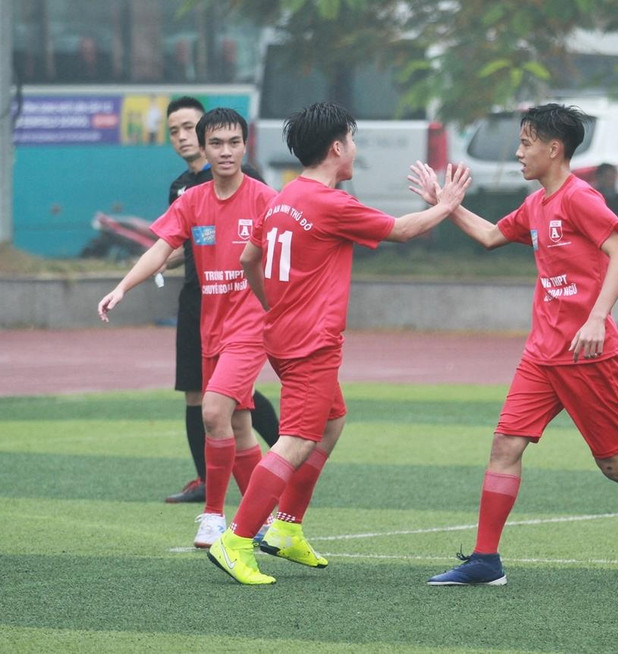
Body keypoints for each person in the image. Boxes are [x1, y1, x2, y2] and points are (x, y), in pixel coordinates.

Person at [413, 103, 618, 587]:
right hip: (542, 353)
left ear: (554, 149)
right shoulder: (536, 204)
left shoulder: (580, 198)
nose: (518, 152)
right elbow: (490, 235)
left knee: (616, 465)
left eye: (525, 143)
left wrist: (596, 318)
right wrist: (445, 206)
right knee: (505, 444)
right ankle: (486, 560)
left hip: (587, 355)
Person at [206, 101, 471, 585]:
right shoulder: (331, 203)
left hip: (284, 336)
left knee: (331, 422)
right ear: (335, 147)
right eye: (352, 141)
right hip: (311, 343)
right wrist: (447, 204)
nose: (354, 149)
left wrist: (276, 304)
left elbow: (248, 259)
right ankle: (237, 539)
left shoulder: (284, 196)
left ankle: (286, 528)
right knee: (296, 440)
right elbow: (401, 231)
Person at [99, 108, 278, 549]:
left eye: (234, 142)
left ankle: (214, 517)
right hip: (210, 327)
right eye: (216, 143)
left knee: (212, 412)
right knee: (238, 424)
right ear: (205, 148)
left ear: (245, 146)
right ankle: (263, 519)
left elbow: (294, 253)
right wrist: (122, 287)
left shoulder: (265, 199)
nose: (226, 151)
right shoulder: (192, 201)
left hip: (250, 327)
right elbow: (160, 249)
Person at [162, 96, 280, 505]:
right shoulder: (183, 189)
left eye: (187, 127)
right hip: (198, 300)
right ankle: (222, 488)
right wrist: (145, 269)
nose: (182, 137)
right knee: (201, 395)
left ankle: (280, 458)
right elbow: (181, 243)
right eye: (174, 130)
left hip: (243, 306)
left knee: (222, 401)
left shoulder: (251, 184)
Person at [592, 163, 618, 239]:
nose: (611, 180)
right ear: (600, 178)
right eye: (608, 177)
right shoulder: (593, 196)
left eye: (613, 177)